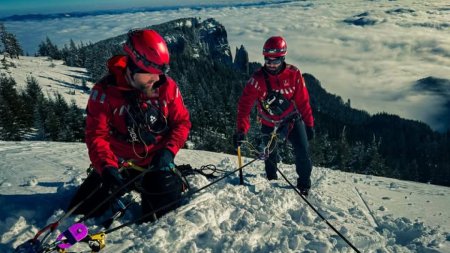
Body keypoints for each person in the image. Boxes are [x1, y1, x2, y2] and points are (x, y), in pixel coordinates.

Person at [68, 29, 191, 220]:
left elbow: (182, 122)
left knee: (159, 214)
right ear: (132, 67)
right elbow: (96, 135)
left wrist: (168, 151)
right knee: (81, 210)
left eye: (159, 73)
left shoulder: (168, 88)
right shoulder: (105, 94)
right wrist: (106, 167)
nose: (156, 79)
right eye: (150, 74)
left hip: (156, 163)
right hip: (119, 164)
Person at [234, 36, 314, 196]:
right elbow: (244, 106)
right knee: (270, 154)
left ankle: (304, 184)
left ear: (283, 57)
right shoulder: (256, 80)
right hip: (268, 122)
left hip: (291, 120)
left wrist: (309, 124)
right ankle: (271, 178)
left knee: (303, 151)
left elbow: (303, 101)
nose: (271, 64)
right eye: (267, 60)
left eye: (275, 60)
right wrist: (241, 130)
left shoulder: (294, 74)